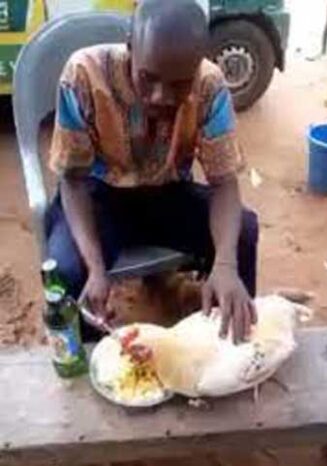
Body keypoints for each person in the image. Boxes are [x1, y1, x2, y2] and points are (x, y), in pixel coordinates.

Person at [46, 0, 258, 343]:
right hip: (100, 197)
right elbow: (72, 181)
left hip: (167, 193)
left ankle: (235, 343)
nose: (161, 96)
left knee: (243, 232)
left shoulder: (209, 85)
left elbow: (224, 184)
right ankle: (90, 360)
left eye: (179, 84)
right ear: (130, 47)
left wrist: (226, 266)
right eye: (148, 79)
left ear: (199, 63)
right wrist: (97, 269)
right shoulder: (83, 75)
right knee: (68, 271)